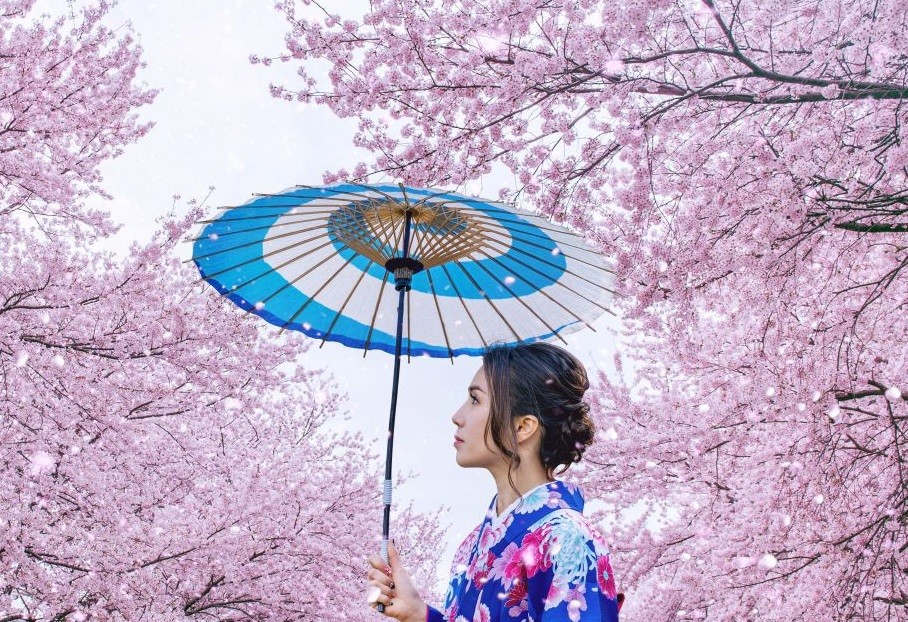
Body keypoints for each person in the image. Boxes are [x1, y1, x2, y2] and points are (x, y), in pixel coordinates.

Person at [366, 342, 621, 621]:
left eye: (475, 400)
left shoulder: (569, 539)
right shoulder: (471, 545)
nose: (457, 416)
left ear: (522, 427)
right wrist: (419, 613)